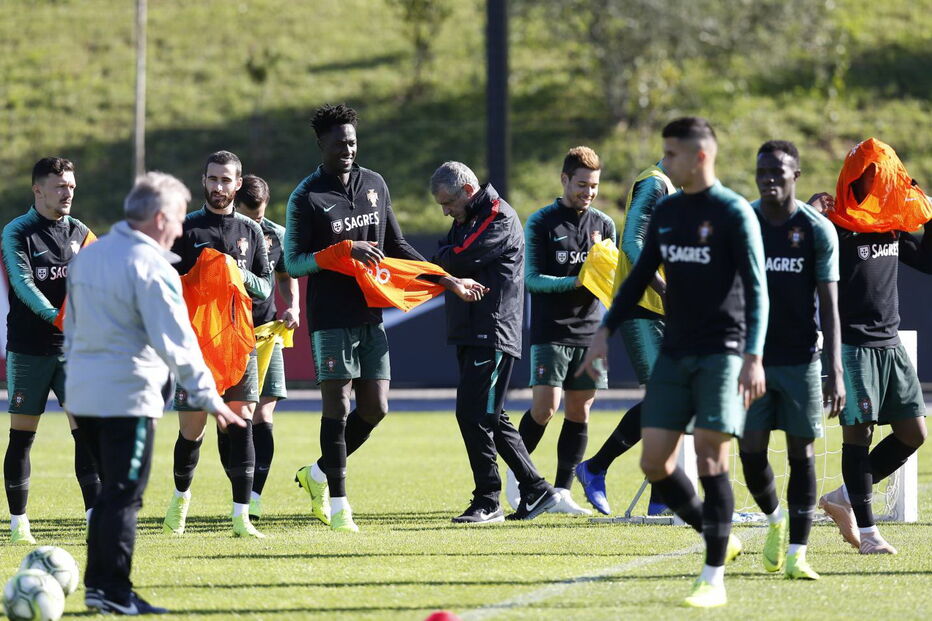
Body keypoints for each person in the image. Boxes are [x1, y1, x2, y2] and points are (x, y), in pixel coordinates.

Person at [580, 117, 768, 608]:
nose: (664, 162)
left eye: (673, 154)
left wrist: (752, 355)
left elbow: (757, 289)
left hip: (721, 351)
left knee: (710, 458)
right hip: (677, 349)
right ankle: (717, 533)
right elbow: (639, 269)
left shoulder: (733, 213)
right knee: (655, 462)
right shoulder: (669, 209)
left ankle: (712, 574)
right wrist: (604, 331)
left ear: (700, 157)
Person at [285, 104, 480, 532]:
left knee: (375, 407)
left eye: (353, 142)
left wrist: (447, 279)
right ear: (321, 145)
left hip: (370, 314)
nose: (348, 149)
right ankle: (338, 504)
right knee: (337, 405)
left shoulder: (374, 184)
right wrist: (342, 251)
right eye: (339, 144)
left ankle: (317, 474)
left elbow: (397, 244)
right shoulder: (307, 196)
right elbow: (294, 262)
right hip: (331, 317)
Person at [64, 171, 241, 615]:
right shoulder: (150, 266)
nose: (181, 229)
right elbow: (177, 340)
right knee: (125, 494)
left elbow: (71, 328)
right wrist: (210, 396)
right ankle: (113, 591)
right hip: (127, 395)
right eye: (179, 218)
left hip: (85, 394)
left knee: (110, 493)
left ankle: (98, 587)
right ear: (160, 218)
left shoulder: (90, 256)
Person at [814, 154, 932, 554]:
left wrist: (928, 214)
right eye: (871, 175)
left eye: (885, 174)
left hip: (891, 343)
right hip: (852, 345)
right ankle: (868, 533)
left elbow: (929, 262)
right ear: (854, 179)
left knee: (914, 433)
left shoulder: (891, 225)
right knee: (859, 435)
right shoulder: (835, 226)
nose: (880, 181)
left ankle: (842, 498)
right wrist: (813, 211)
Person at [430, 160, 560, 523]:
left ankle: (488, 500)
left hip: (493, 329)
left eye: (448, 203)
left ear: (468, 192)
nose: (446, 212)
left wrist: (446, 261)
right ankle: (536, 490)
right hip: (473, 329)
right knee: (491, 415)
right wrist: (446, 261)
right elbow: (448, 256)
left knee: (473, 415)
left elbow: (456, 257)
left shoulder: (498, 216)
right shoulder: (468, 218)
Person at [740, 140, 844, 580]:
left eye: (777, 173)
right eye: (762, 172)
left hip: (801, 360)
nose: (768, 180)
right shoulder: (743, 221)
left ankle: (800, 552)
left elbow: (831, 307)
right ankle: (776, 519)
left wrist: (834, 369)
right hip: (753, 360)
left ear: (795, 176)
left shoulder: (817, 229)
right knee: (749, 453)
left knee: (802, 456)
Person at [162, 151, 272, 539]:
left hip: (239, 344)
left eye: (226, 180)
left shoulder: (251, 231)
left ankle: (241, 518)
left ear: (238, 184)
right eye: (213, 179)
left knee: (241, 427)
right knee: (192, 433)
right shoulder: (185, 229)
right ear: (203, 181)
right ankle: (179, 501)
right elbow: (165, 285)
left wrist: (234, 271)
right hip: (195, 348)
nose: (219, 187)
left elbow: (265, 287)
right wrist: (197, 276)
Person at [508, 146, 615, 516]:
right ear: (565, 180)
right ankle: (516, 474)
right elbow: (532, 280)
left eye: (594, 186)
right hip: (552, 330)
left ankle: (563, 492)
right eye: (582, 184)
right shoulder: (541, 222)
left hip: (591, 331)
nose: (588, 192)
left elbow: (610, 277)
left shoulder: (605, 224)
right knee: (544, 408)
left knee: (579, 411)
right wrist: (575, 282)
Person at [1, 157, 101, 544]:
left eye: (71, 186)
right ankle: (18, 522)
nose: (68, 193)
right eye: (60, 187)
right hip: (29, 349)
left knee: (87, 433)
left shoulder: (81, 231)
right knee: (23, 436)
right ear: (37, 190)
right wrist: (60, 318)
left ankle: (94, 516)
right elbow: (24, 286)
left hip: (75, 351)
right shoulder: (17, 232)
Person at [576, 157, 675, 516]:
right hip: (642, 306)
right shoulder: (654, 182)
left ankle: (660, 502)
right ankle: (596, 467)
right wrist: (663, 288)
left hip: (664, 310)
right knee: (665, 399)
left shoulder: (678, 189)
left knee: (674, 402)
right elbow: (632, 243)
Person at [234, 174, 300, 521]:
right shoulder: (225, 233)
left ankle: (254, 497)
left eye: (260, 216)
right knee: (231, 417)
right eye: (249, 216)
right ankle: (236, 493)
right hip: (229, 335)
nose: (255, 223)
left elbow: (288, 276)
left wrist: (295, 306)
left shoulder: (277, 235)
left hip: (266, 331)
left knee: (264, 413)